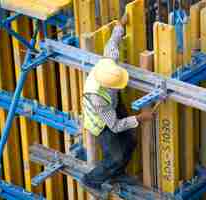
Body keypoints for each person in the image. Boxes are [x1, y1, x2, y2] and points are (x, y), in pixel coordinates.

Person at [81, 15, 154, 190]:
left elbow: (112, 42)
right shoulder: (98, 98)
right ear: (107, 84)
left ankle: (117, 174)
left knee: (130, 142)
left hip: (113, 104)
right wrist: (140, 118)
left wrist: (120, 25)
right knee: (115, 157)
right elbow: (114, 125)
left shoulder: (109, 61)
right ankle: (91, 180)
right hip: (101, 122)